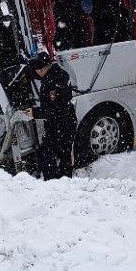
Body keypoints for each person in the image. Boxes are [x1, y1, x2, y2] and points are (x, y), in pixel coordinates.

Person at [28, 51, 77, 179]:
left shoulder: (54, 82)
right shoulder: (55, 74)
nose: (35, 74)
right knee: (61, 155)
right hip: (61, 123)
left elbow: (56, 110)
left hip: (62, 124)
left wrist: (35, 112)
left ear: (42, 69)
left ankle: (54, 185)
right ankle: (63, 183)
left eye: (36, 70)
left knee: (51, 156)